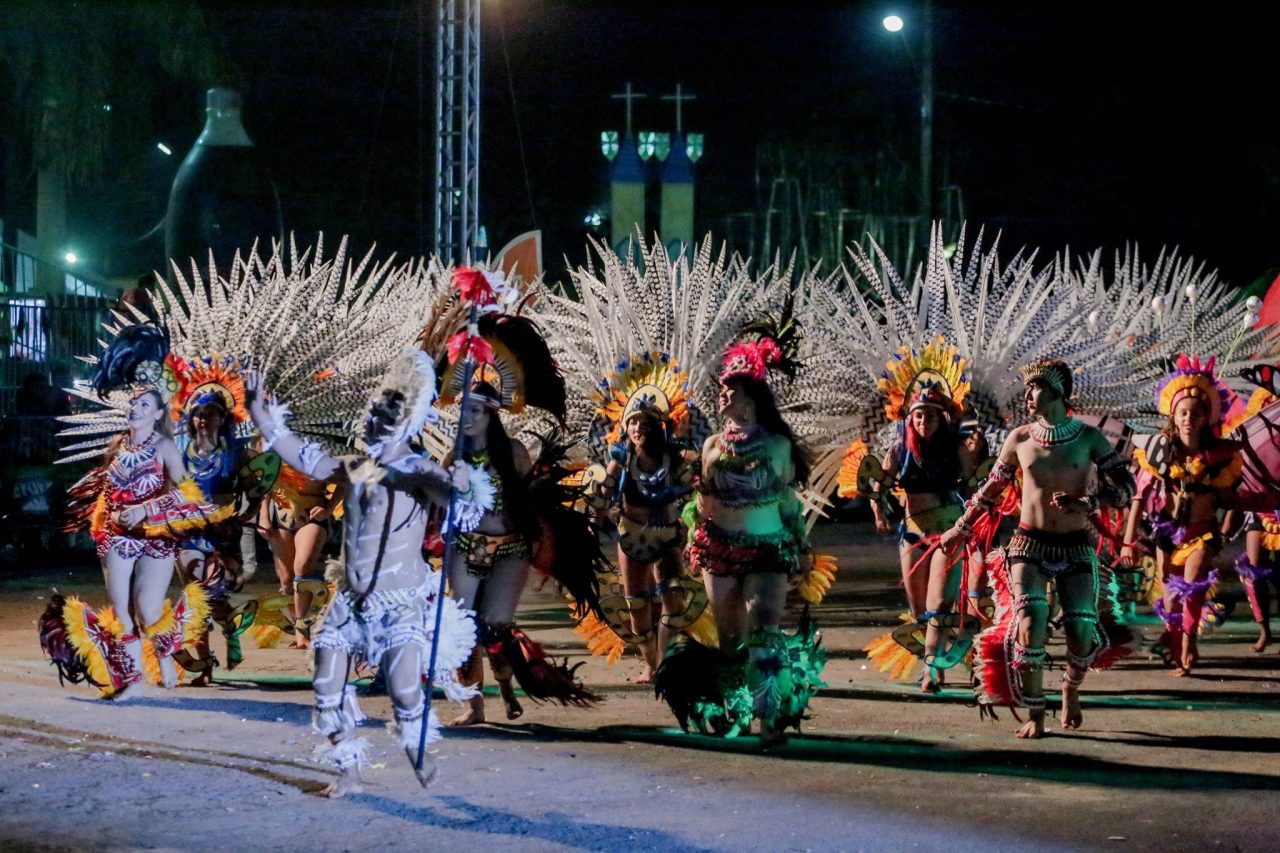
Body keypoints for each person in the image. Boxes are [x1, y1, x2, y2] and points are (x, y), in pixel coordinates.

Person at [245, 349, 486, 795]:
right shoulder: (354, 467)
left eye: (383, 412)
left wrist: (464, 481)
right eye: (372, 411)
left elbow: (466, 508)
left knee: (403, 693)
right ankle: (347, 771)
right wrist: (264, 416)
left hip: (400, 600)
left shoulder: (418, 470)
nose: (372, 418)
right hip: (351, 600)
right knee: (326, 678)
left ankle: (417, 749)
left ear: (405, 420)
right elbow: (307, 458)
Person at [941, 357, 1136, 739]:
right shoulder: (1020, 438)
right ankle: (1036, 713)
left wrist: (1090, 504)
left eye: (1037, 387)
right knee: (1029, 627)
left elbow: (1127, 487)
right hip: (1028, 545)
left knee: (1082, 632)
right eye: (1028, 387)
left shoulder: (1088, 438)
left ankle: (1070, 687)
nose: (1029, 395)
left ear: (1059, 393)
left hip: (1077, 547)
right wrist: (959, 529)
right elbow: (991, 491)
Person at [658, 335, 825, 746]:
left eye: (729, 389)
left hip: (769, 546)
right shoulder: (713, 446)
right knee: (730, 639)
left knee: (765, 628)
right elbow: (705, 499)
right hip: (720, 548)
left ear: (749, 395)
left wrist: (801, 545)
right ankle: (740, 712)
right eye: (721, 390)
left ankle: (771, 717)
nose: (722, 396)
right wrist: (694, 540)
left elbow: (787, 498)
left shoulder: (777, 445)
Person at [39, 323, 219, 699]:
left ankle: (165, 657)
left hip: (154, 535)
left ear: (157, 414)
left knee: (148, 608)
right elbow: (109, 486)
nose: (135, 408)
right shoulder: (118, 444)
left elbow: (190, 496)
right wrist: (106, 517)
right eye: (133, 403)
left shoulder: (165, 447)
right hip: (117, 534)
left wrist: (145, 510)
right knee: (121, 607)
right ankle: (131, 679)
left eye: (144, 405)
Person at [866, 342, 984, 692]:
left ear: (942, 417)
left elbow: (976, 483)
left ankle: (933, 669)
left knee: (940, 603)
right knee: (919, 610)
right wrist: (878, 511)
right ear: (909, 417)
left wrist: (976, 457)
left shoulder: (956, 447)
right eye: (918, 415)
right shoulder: (899, 448)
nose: (923, 421)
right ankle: (945, 659)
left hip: (948, 530)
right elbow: (880, 484)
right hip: (912, 532)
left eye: (930, 415)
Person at [1122, 354, 1242, 675]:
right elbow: (1139, 498)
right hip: (1167, 536)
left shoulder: (1223, 458)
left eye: (1195, 413)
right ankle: (1177, 645)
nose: (1188, 419)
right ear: (1173, 418)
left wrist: (1238, 508)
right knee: (1171, 601)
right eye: (1182, 413)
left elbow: (1232, 499)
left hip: (1202, 533)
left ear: (1205, 418)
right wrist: (1127, 541)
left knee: (1195, 582)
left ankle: (1188, 645)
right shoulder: (1159, 455)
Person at [588, 387, 697, 683]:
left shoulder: (674, 458)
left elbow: (694, 492)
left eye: (645, 423)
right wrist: (598, 499)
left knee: (673, 602)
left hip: (667, 539)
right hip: (632, 540)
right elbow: (602, 495)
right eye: (633, 422)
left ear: (657, 428)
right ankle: (651, 665)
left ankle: (665, 661)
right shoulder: (621, 460)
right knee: (637, 606)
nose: (638, 428)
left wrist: (691, 525)